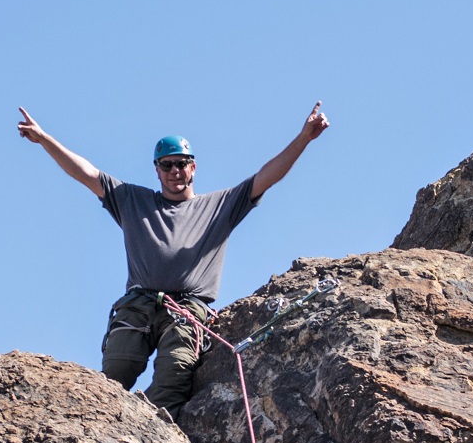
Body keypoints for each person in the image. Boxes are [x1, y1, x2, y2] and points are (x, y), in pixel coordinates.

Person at [17, 103, 329, 419]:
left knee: (173, 377)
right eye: (166, 165)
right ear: (157, 170)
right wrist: (44, 139)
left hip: (186, 311)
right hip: (138, 304)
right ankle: (105, 426)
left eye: (181, 164)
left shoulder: (219, 206)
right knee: (114, 375)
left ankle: (152, 439)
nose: (174, 171)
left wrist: (303, 138)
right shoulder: (131, 199)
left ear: (193, 167)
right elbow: (85, 172)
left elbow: (266, 176)